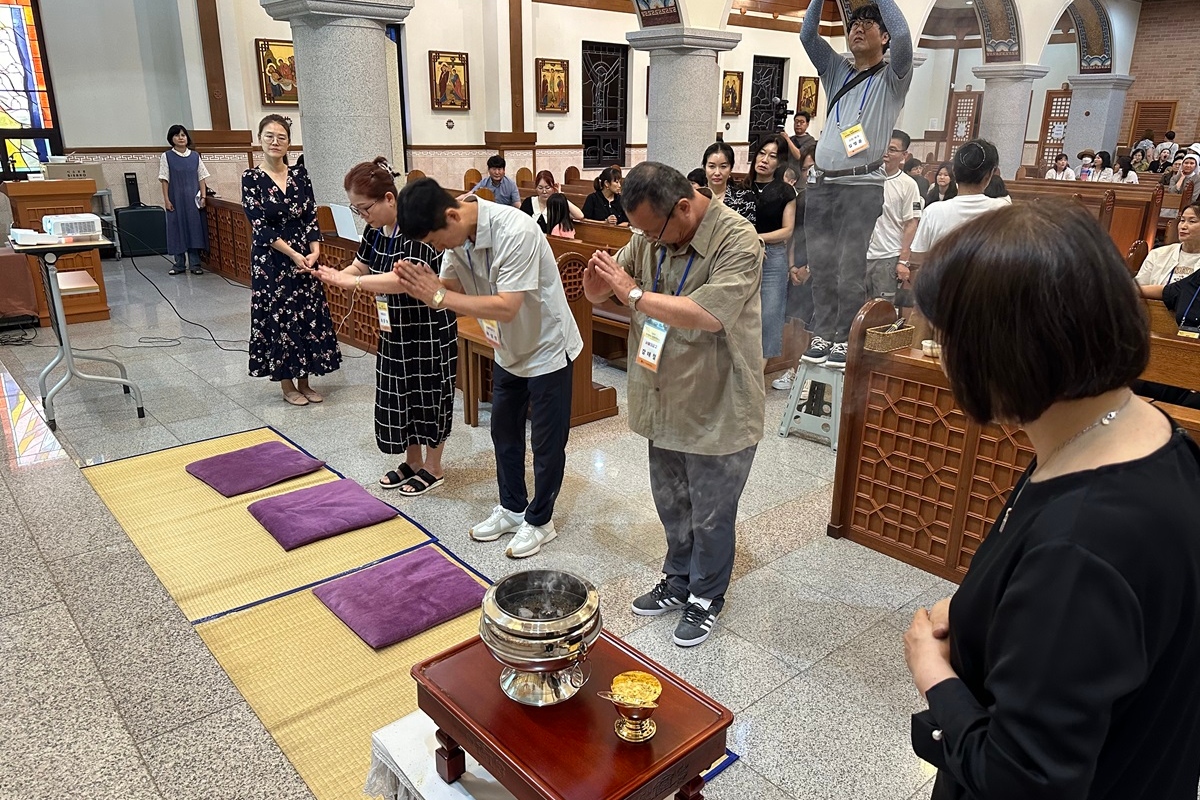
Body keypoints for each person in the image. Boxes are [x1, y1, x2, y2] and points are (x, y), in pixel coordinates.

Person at [903, 199, 1200, 800]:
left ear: (1000, 352)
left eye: (950, 342)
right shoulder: (1150, 434)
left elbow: (1024, 778)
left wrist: (932, 673)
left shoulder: (1082, 546)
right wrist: (981, 620)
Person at [582, 162, 764, 648]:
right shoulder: (650, 236)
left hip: (717, 402)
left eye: (650, 229)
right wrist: (600, 278)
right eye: (638, 231)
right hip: (664, 398)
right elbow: (601, 290)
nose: (645, 240)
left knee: (711, 510)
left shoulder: (738, 240)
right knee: (672, 502)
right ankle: (678, 578)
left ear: (683, 206)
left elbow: (707, 314)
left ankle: (707, 595)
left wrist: (634, 293)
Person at [392, 178, 583, 559]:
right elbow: (442, 285)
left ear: (451, 215)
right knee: (504, 434)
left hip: (546, 347)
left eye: (435, 241)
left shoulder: (516, 229)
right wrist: (354, 280)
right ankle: (512, 508)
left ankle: (540, 520)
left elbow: (506, 305)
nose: (437, 249)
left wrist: (441, 297)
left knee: (546, 444)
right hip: (507, 348)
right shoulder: (457, 236)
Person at [309, 159, 456, 495]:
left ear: (390, 199)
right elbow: (361, 265)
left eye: (365, 207)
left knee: (429, 394)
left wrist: (353, 285)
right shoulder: (376, 230)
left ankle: (434, 467)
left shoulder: (416, 227)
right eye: (356, 209)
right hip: (394, 329)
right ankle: (413, 460)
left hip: (427, 327)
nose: (363, 216)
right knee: (401, 395)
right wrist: (334, 275)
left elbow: (403, 280)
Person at [801, 0, 913, 367]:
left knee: (849, 267)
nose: (857, 28)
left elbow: (904, 35)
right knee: (820, 264)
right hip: (822, 186)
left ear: (883, 37)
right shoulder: (837, 69)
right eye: (854, 23)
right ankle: (823, 332)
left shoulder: (892, 77)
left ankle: (842, 336)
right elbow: (807, 35)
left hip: (861, 187)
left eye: (868, 24)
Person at [241, 114, 341, 406]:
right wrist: (294, 254)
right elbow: (260, 225)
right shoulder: (252, 178)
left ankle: (305, 380)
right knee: (281, 318)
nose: (275, 142)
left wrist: (314, 250)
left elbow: (310, 214)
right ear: (259, 140)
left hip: (304, 256)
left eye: (281, 137)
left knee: (307, 315)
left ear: (288, 142)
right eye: (269, 136)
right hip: (272, 259)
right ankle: (287, 384)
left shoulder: (300, 175)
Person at [746, 134, 798, 359]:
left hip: (773, 257)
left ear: (780, 162)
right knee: (742, 314)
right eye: (762, 153)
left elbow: (787, 230)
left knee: (769, 315)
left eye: (772, 156)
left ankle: (757, 381)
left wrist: (759, 238)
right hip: (742, 255)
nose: (764, 159)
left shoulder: (785, 191)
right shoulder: (741, 188)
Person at [865, 130, 922, 304]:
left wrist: (903, 261)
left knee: (881, 312)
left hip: (888, 256)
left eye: (892, 149)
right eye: (883, 147)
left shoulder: (908, 184)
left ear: (904, 155)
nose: (886, 153)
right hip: (860, 255)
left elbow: (911, 223)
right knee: (854, 310)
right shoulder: (866, 178)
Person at [160, 124, 209, 276]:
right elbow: (164, 179)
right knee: (177, 229)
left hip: (192, 200)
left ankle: (195, 264)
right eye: (177, 135)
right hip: (175, 199)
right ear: (171, 139)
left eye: (183, 135)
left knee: (194, 229)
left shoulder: (195, 156)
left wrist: (203, 196)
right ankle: (179, 264)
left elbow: (201, 177)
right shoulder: (167, 156)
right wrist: (167, 200)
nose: (181, 138)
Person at [702, 141, 756, 223]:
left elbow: (748, 233)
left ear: (731, 168)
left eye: (723, 166)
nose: (717, 173)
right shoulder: (696, 197)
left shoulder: (745, 197)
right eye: (711, 166)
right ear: (704, 167)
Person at [519, 170, 583, 233]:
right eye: (540, 188)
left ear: (553, 187)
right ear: (536, 187)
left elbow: (579, 216)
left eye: (547, 188)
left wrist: (561, 196)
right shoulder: (528, 202)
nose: (544, 191)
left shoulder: (556, 204)